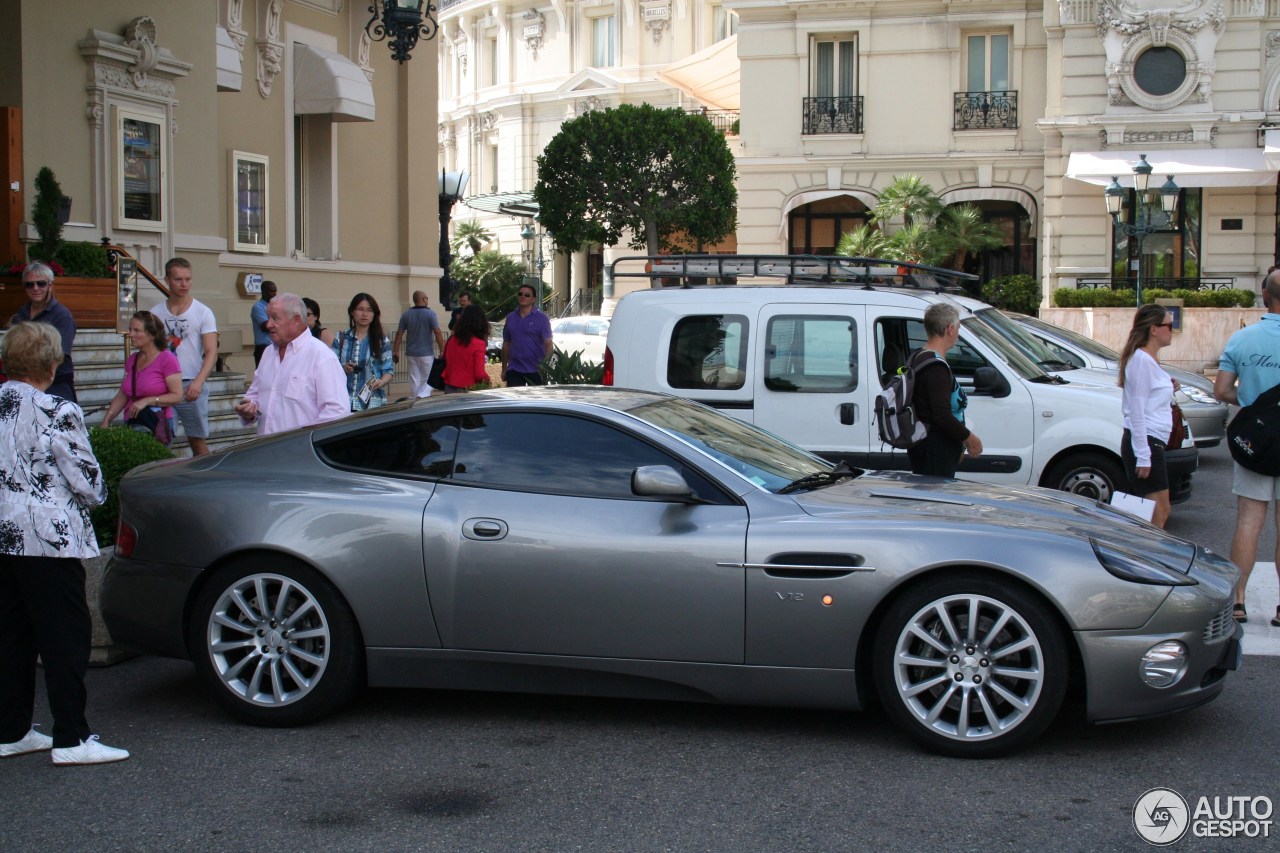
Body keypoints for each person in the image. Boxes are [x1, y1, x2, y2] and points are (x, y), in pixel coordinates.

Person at [0, 322, 128, 766]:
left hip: (3, 535)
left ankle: (12, 729)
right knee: (65, 638)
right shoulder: (58, 409)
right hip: (47, 538)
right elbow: (89, 485)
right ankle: (71, 737)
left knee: (12, 636)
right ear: (52, 363)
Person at [1215, 269, 1280, 625]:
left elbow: (1221, 391)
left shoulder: (1242, 339)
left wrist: (1252, 404)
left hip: (1256, 442)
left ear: (1264, 296)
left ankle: (1239, 601)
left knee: (1249, 522)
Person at [236, 293, 349, 435]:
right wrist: (248, 409)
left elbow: (337, 413)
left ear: (296, 320)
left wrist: (302, 441)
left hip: (300, 452)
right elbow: (254, 395)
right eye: (268, 317)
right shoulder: (268, 353)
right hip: (265, 450)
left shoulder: (321, 357)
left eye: (275, 318)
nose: (269, 323)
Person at [150, 258, 218, 456]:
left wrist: (198, 382)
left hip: (190, 383)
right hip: (163, 384)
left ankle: (204, 480)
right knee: (160, 439)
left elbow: (211, 350)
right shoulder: (156, 313)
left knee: (197, 439)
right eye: (178, 279)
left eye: (188, 279)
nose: (184, 284)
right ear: (168, 280)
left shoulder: (203, 312)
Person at [1117, 304, 1177, 529]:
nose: (1172, 330)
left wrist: (1170, 388)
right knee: (1157, 514)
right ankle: (1146, 562)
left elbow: (1149, 398)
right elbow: (1137, 410)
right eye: (1169, 326)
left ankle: (1146, 561)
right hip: (1147, 442)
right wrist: (1143, 455)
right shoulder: (1141, 360)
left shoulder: (1148, 360)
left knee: (1159, 512)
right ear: (1153, 329)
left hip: (1153, 441)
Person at [906, 303, 982, 477]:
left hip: (927, 445)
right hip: (936, 447)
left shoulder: (919, 355)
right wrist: (969, 438)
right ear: (950, 329)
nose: (957, 333)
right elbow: (941, 415)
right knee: (935, 498)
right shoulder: (935, 368)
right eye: (958, 328)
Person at [99, 311, 183, 435]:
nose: (131, 334)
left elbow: (177, 396)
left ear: (151, 335)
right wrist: (107, 419)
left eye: (137, 330)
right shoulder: (132, 360)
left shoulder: (167, 359)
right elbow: (123, 393)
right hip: (133, 422)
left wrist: (147, 401)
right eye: (130, 329)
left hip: (156, 423)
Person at [9, 262, 77, 402]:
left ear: (50, 286)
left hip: (55, 385)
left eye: (41, 283)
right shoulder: (21, 314)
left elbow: (59, 356)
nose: (35, 288)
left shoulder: (62, 315)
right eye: (30, 284)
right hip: (25, 386)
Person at [332, 292, 394, 411]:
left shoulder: (381, 340)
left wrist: (381, 381)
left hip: (372, 403)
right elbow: (329, 368)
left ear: (374, 314)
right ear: (352, 312)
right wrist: (343, 368)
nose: (365, 314)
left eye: (369, 310)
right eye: (360, 309)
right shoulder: (340, 338)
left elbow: (388, 371)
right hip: (343, 401)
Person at [393, 290, 447, 398]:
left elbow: (399, 333)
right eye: (427, 298)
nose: (427, 300)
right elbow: (437, 332)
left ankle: (417, 399)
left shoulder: (406, 314)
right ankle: (421, 397)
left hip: (411, 353)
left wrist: (395, 350)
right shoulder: (431, 314)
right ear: (423, 299)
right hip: (426, 353)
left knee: (414, 379)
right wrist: (442, 349)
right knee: (429, 378)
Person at [501, 284, 553, 386]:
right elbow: (506, 344)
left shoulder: (542, 319)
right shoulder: (510, 318)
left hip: (536, 370)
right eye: (520, 294)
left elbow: (549, 344)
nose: (522, 296)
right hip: (514, 369)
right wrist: (504, 369)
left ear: (533, 299)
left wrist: (544, 367)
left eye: (527, 295)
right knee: (514, 401)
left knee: (535, 402)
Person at [441, 303, 491, 392]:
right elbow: (479, 374)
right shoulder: (478, 344)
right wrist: (488, 380)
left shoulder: (452, 340)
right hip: (468, 388)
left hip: (449, 385)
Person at [250, 280, 277, 366]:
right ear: (264, 291)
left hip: (275, 345)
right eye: (271, 291)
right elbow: (266, 326)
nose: (274, 294)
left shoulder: (275, 306)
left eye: (275, 291)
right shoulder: (258, 307)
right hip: (263, 347)